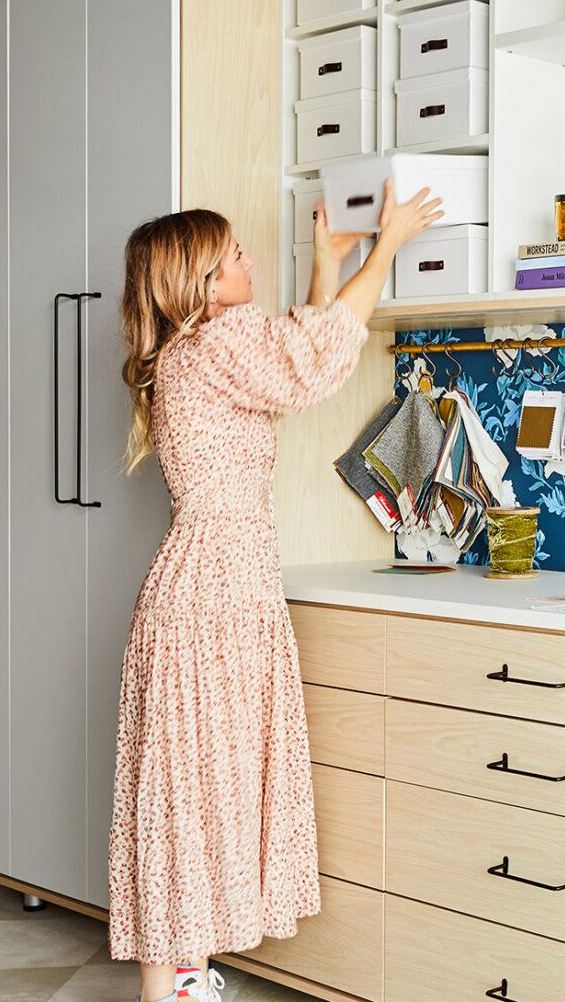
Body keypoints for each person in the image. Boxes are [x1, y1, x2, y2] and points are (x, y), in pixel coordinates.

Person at [107, 182, 444, 1002]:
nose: (249, 260)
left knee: (187, 789)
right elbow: (312, 358)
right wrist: (386, 245)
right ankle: (170, 990)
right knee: (195, 789)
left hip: (208, 588)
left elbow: (296, 363)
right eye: (235, 255)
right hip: (216, 592)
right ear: (201, 284)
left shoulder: (194, 351)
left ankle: (177, 984)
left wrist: (328, 266)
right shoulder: (214, 343)